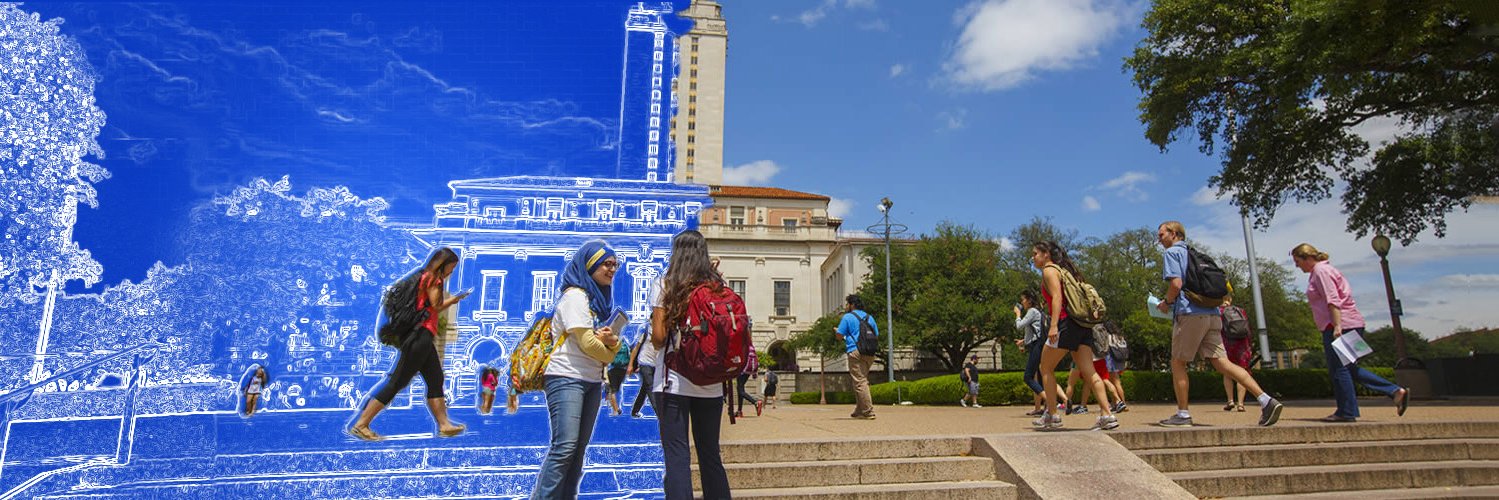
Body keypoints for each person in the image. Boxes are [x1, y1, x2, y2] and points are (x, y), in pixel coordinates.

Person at [1155, 222, 1282, 428]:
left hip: (1190, 313)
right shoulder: (1197, 254)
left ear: (1174, 234)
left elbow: (1176, 284)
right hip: (1212, 313)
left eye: (1161, 235)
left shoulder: (1172, 253)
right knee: (1223, 363)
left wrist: (1166, 303)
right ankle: (1266, 400)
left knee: (1178, 362)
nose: (1159, 239)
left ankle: (1183, 413)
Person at [532, 240, 623, 499]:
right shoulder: (575, 296)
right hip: (566, 377)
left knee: (577, 450)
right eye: (607, 264)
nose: (612, 269)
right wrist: (614, 345)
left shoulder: (593, 301)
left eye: (615, 264)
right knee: (564, 448)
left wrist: (605, 343)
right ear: (590, 265)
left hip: (589, 379)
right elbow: (588, 345)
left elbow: (593, 344)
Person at [348, 247, 471, 441]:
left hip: (423, 336)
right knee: (397, 381)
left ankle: (444, 425)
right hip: (419, 336)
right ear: (443, 265)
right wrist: (455, 299)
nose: (451, 272)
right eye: (451, 268)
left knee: (435, 379)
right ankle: (361, 424)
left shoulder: (422, 276)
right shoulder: (434, 280)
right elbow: (436, 306)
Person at [651, 230, 730, 499]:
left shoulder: (665, 283)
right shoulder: (718, 285)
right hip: (712, 384)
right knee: (710, 455)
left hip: (674, 382)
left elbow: (659, 339)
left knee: (677, 456)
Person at [1292, 243, 1410, 422]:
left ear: (1308, 258)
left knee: (1339, 369)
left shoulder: (1321, 272)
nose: (1297, 266)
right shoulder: (1326, 270)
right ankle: (1394, 391)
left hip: (1339, 325)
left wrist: (1337, 326)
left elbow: (1332, 299)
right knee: (1348, 368)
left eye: (1298, 261)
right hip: (1352, 322)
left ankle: (1346, 411)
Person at [1029, 241, 1118, 431]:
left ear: (1046, 254)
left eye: (1035, 253)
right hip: (1081, 325)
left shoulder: (1049, 271)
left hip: (1065, 324)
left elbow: (1057, 299)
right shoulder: (1065, 271)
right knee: (1089, 371)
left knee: (1045, 368)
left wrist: (1053, 326)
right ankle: (1107, 415)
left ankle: (1052, 415)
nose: (1033, 257)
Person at [1015, 290, 1068, 416]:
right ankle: (1058, 402)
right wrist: (1024, 341)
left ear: (1029, 300)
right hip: (1039, 344)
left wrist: (1017, 314)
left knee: (1028, 377)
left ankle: (1051, 403)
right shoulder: (1038, 311)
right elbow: (1036, 330)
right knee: (1042, 377)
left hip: (1036, 346)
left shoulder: (1032, 311)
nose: (1022, 302)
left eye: (1023, 299)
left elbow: (1019, 326)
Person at [836, 295, 878, 420]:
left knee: (860, 382)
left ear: (852, 305)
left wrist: (838, 332)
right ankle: (859, 410)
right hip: (870, 352)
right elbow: (876, 334)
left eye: (847, 304)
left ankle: (868, 411)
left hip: (855, 351)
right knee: (861, 380)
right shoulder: (869, 317)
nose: (846, 306)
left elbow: (839, 335)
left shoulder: (848, 317)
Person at [1219, 295, 1253, 412]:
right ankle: (1241, 404)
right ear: (1230, 299)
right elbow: (1247, 329)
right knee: (1241, 372)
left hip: (1226, 344)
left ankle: (1230, 400)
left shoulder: (1218, 312)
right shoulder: (1240, 311)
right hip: (1242, 345)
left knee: (1227, 371)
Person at [626, 323, 658, 418]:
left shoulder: (662, 331)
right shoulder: (646, 330)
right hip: (644, 362)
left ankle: (635, 411)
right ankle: (660, 414)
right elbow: (636, 349)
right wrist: (631, 364)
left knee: (645, 389)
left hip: (655, 364)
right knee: (650, 387)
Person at [1104, 321, 1129, 413]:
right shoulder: (1120, 337)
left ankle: (1121, 403)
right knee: (1116, 382)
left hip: (1111, 361)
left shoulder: (1108, 337)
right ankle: (1116, 403)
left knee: (1114, 382)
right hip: (1120, 362)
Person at [605, 341, 631, 416]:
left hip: (612, 369)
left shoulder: (611, 344)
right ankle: (618, 407)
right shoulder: (624, 344)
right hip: (623, 369)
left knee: (612, 390)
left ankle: (616, 410)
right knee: (618, 389)